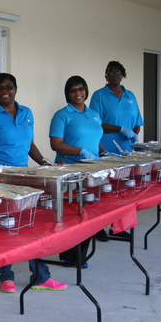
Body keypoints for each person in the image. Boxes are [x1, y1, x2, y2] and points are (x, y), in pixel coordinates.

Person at [0, 73, 67, 293]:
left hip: (25, 180)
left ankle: (40, 276)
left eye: (8, 87)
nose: (4, 91)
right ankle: (6, 276)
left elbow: (30, 145)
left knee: (30, 228)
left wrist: (47, 163)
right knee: (5, 228)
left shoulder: (27, 113)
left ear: (16, 89)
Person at [49, 75, 107, 267]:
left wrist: (103, 151)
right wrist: (81, 151)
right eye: (73, 90)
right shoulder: (62, 115)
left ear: (86, 90)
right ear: (67, 93)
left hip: (92, 170)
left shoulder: (94, 113)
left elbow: (94, 137)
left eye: (81, 89)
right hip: (70, 170)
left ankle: (81, 255)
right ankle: (68, 255)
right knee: (72, 213)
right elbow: (56, 144)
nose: (77, 93)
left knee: (89, 212)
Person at [90, 61, 144, 154]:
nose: (114, 76)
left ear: (122, 75)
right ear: (106, 77)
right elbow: (95, 124)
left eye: (117, 73)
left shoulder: (130, 96)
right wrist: (121, 129)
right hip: (106, 149)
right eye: (110, 73)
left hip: (129, 150)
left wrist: (134, 137)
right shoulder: (99, 95)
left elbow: (137, 123)